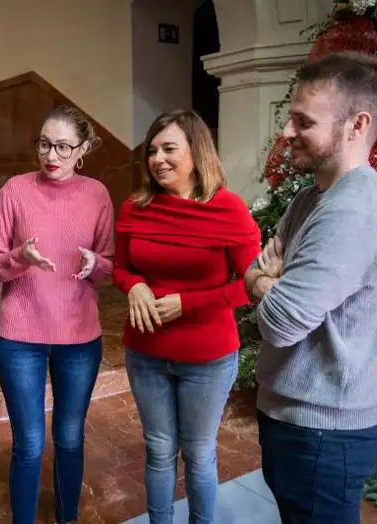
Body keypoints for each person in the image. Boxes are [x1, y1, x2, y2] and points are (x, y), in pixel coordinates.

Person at [244, 52, 377, 523]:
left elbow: (279, 322)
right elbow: (261, 266)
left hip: (323, 434)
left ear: (357, 125)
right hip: (298, 420)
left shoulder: (351, 213)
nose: (286, 131)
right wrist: (267, 279)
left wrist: (265, 284)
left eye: (303, 121)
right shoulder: (313, 196)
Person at [113, 110, 261, 524]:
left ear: (196, 152)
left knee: (198, 453)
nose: (158, 159)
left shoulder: (228, 209)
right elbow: (121, 268)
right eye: (152, 150)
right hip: (145, 352)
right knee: (159, 449)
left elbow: (252, 284)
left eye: (169, 149)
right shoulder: (136, 206)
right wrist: (134, 285)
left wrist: (188, 303)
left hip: (207, 358)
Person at [0, 105, 114, 524]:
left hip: (80, 338)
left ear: (82, 149)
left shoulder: (98, 194)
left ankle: (67, 517)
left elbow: (111, 264)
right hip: (21, 338)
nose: (50, 155)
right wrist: (20, 258)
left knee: (70, 438)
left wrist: (97, 266)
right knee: (30, 443)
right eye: (43, 143)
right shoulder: (15, 191)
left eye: (62, 146)